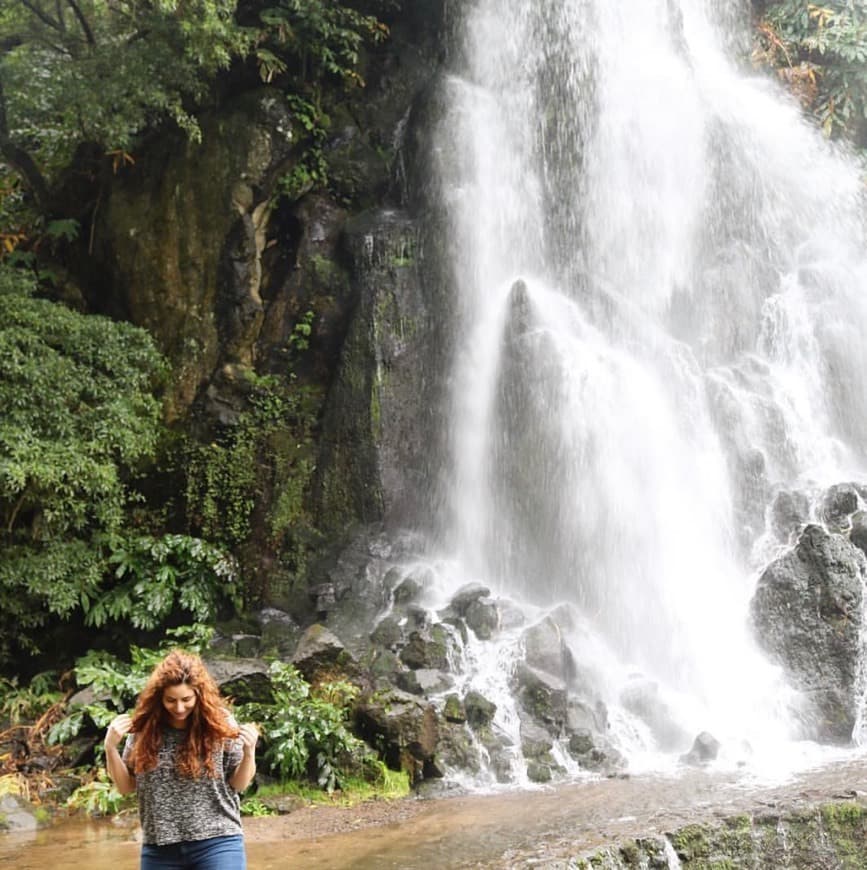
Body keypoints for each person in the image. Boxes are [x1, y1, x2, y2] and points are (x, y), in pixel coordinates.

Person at [104, 649, 259, 870]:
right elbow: (126, 787)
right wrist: (110, 748)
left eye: (186, 699)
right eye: (170, 700)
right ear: (159, 697)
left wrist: (249, 752)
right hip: (160, 847)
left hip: (217, 842)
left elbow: (239, 784)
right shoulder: (145, 729)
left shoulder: (220, 724)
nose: (179, 708)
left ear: (199, 695)